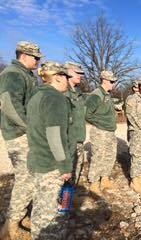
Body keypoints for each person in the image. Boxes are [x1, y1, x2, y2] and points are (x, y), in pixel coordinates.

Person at [0, 41, 43, 239]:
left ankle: (22, 215)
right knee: (25, 179)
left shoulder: (27, 75)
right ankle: (10, 227)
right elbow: (10, 106)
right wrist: (31, 127)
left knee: (32, 177)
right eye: (36, 57)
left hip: (27, 133)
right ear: (24, 55)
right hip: (19, 135)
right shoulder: (12, 74)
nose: (39, 61)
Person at [26, 61, 72, 239]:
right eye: (66, 77)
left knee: (41, 205)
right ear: (58, 77)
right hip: (50, 163)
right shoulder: (55, 98)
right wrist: (64, 166)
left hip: (37, 159)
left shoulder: (36, 96)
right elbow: (55, 135)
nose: (67, 81)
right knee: (52, 213)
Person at [85, 70, 117, 195]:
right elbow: (87, 114)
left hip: (109, 132)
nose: (113, 84)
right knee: (98, 157)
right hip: (100, 131)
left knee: (110, 155)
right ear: (104, 80)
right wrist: (101, 123)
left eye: (114, 81)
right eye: (111, 81)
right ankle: (94, 182)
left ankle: (105, 178)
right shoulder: (96, 95)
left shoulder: (107, 95)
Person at [64, 62, 86, 184]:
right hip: (67, 140)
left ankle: (70, 197)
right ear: (69, 72)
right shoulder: (63, 91)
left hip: (78, 138)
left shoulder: (78, 92)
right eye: (78, 73)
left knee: (76, 168)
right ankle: (62, 200)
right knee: (65, 172)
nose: (81, 76)